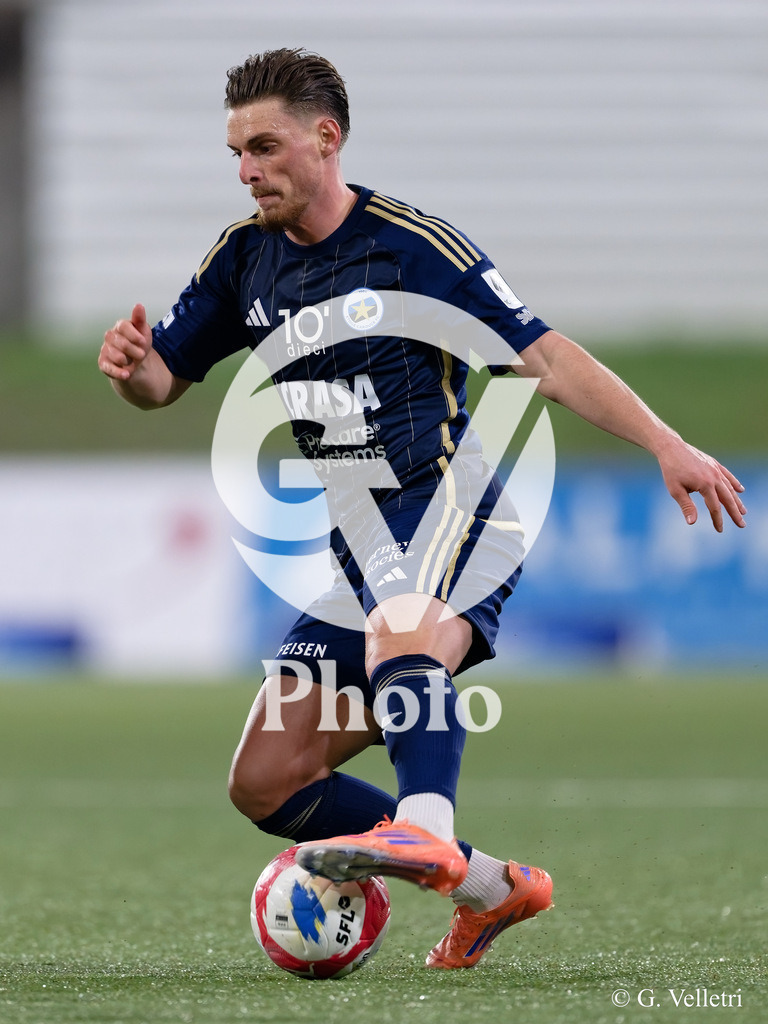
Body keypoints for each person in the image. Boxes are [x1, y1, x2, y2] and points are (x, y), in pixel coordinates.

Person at [98, 47, 746, 969]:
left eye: (266, 147)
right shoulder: (243, 260)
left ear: (328, 139)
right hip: (359, 538)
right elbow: (166, 380)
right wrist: (133, 370)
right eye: (237, 153)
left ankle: (424, 824)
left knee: (405, 628)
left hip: (450, 505)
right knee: (267, 780)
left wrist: (667, 444)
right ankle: (490, 888)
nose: (248, 171)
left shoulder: (411, 247)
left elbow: (547, 360)